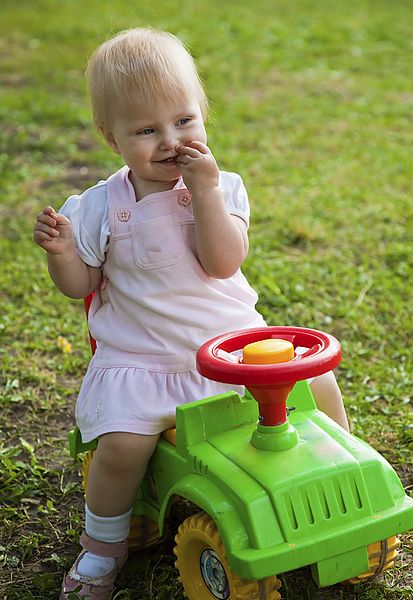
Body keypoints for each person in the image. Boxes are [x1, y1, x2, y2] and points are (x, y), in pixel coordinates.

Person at [33, 27, 349, 600]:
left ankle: (338, 469)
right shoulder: (101, 207)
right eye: (146, 130)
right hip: (145, 359)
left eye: (184, 121)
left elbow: (223, 262)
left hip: (234, 347)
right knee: (123, 447)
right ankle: (102, 546)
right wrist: (61, 254)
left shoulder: (222, 189)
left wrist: (202, 192)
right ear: (112, 138)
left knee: (318, 380)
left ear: (203, 116)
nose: (169, 141)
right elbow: (81, 284)